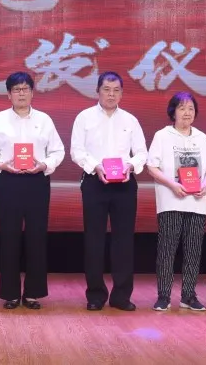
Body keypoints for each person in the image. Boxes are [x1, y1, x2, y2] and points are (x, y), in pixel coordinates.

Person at [0, 72, 65, 310]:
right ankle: (10, 293)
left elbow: (58, 151)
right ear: (8, 94)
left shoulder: (44, 120)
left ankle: (32, 293)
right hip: (8, 182)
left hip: (36, 182)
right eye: (16, 90)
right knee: (9, 237)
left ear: (32, 93)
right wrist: (0, 164)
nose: (21, 93)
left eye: (25, 89)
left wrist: (44, 165)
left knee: (36, 237)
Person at [71, 71, 147, 311]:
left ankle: (121, 296)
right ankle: (95, 295)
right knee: (94, 240)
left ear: (122, 93)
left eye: (116, 90)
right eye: (106, 89)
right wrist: (96, 166)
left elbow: (142, 153)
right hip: (95, 182)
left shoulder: (131, 120)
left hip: (124, 183)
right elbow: (76, 151)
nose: (111, 94)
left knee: (124, 241)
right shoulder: (84, 117)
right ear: (97, 91)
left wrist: (130, 166)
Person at [146, 92, 206, 312]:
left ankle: (189, 296)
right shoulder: (162, 136)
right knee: (167, 250)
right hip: (171, 201)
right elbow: (152, 167)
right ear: (173, 112)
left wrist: (203, 185)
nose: (187, 113)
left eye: (191, 109)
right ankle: (163, 296)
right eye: (182, 108)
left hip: (196, 203)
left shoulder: (202, 138)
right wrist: (172, 185)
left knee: (193, 251)